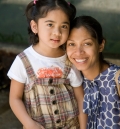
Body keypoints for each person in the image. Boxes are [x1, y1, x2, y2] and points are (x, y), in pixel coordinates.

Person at [7, 1, 87, 129]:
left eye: (64, 26)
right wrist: (29, 123)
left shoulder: (70, 60)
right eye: (50, 24)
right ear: (35, 27)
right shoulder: (23, 60)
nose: (57, 32)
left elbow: (80, 98)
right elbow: (15, 98)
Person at [67, 15, 120, 129]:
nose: (78, 52)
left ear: (101, 45)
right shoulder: (72, 82)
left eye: (87, 43)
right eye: (71, 44)